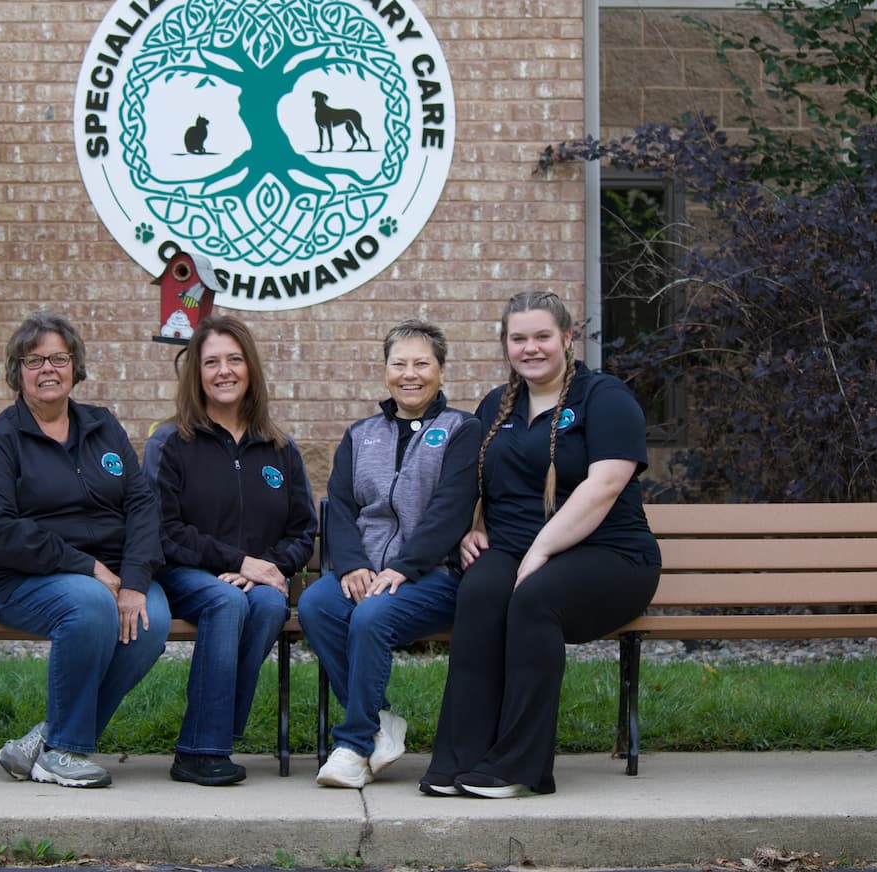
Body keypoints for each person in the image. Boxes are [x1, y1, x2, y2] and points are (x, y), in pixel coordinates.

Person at [420, 290, 663, 799]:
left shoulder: (604, 397)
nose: (531, 348)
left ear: (568, 338)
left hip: (610, 555)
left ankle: (517, 768)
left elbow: (604, 488)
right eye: (519, 338)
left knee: (533, 597)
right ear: (505, 344)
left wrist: (541, 551)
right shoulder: (495, 405)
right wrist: (471, 525)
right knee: (482, 593)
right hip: (512, 548)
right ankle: (459, 761)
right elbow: (470, 479)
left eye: (542, 337)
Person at [0, 310, 170, 789]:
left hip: (114, 575)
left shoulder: (102, 426)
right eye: (33, 360)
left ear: (75, 366)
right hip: (17, 580)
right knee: (88, 604)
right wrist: (84, 566)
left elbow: (142, 503)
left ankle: (48, 742)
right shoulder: (2, 440)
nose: (47, 369)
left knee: (153, 620)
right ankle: (67, 751)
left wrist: (136, 580)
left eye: (58, 358)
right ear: (16, 371)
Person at [298, 319, 481, 788]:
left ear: (441, 371)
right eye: (399, 363)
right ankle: (380, 722)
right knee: (317, 604)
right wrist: (353, 565)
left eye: (422, 363)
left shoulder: (462, 430)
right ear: (385, 371)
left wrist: (402, 567)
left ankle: (355, 742)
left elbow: (451, 509)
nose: (410, 374)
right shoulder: (361, 435)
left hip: (434, 575)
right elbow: (339, 506)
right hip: (368, 572)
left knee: (371, 617)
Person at [143, 315, 317, 786]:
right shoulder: (171, 442)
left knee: (264, 603)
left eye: (234, 360)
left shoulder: (279, 448)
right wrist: (238, 562)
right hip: (183, 575)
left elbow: (304, 529)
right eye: (212, 362)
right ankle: (200, 749)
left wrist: (267, 568)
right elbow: (162, 529)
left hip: (256, 579)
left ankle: (213, 736)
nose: (224, 371)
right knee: (226, 599)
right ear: (196, 374)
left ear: (251, 369)